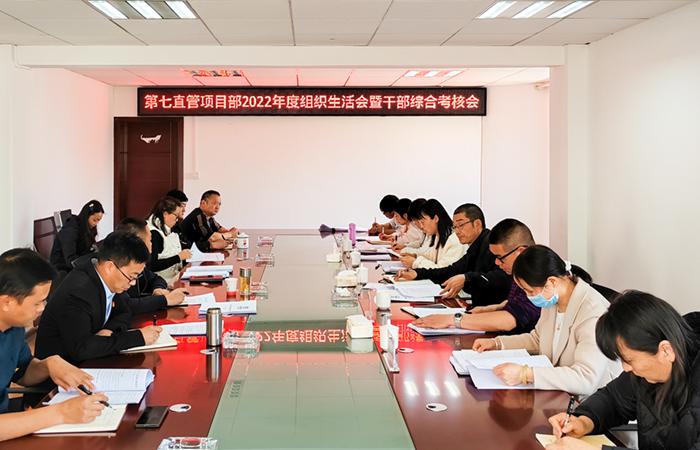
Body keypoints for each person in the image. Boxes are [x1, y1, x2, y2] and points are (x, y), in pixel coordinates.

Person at [545, 292, 700, 450]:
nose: (626, 368)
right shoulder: (646, 372)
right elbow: (613, 399)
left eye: (629, 360)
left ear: (666, 351)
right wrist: (584, 421)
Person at [473, 245, 621, 396]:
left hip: (592, 400)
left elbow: (585, 379)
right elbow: (538, 339)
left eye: (530, 291)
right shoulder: (553, 298)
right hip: (561, 393)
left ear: (552, 282)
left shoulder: (592, 314)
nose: (529, 297)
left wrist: (526, 374)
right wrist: (497, 343)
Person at [0, 248, 108, 441]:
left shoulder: (13, 327)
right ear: (7, 302)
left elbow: (23, 373)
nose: (42, 309)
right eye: (37, 303)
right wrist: (60, 413)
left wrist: (49, 364)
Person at [35, 231, 162, 364]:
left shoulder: (109, 279)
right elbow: (82, 349)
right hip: (62, 369)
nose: (133, 283)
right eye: (131, 277)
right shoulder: (78, 292)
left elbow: (125, 311)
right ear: (110, 267)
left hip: (90, 361)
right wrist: (138, 338)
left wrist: (109, 330)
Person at [413, 218, 540, 335]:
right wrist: (490, 309)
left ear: (520, 252)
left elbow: (509, 320)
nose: (496, 262)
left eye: (500, 257)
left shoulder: (537, 272)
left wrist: (452, 320)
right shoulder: (521, 270)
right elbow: (516, 302)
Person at [396, 205, 511, 306]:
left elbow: (501, 278)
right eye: (455, 227)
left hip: (492, 313)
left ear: (477, 224)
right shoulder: (475, 246)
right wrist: (417, 273)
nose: (457, 231)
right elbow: (451, 270)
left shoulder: (490, 245)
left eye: (461, 225)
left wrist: (467, 278)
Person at [115, 218, 187, 311]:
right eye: (150, 240)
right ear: (138, 242)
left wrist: (157, 289)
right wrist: (165, 300)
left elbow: (156, 278)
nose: (152, 244)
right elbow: (127, 305)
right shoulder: (119, 266)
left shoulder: (138, 263)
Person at [398, 199, 465, 270]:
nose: (421, 226)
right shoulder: (437, 236)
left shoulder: (455, 239)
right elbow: (430, 256)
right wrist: (414, 255)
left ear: (436, 218)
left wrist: (415, 262)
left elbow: (442, 270)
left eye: (423, 222)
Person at [49, 200, 104, 274]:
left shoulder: (86, 228)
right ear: (86, 216)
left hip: (76, 264)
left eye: (98, 221)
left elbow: (86, 250)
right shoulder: (71, 230)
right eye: (94, 220)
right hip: (62, 269)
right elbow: (71, 260)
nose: (96, 223)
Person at [146, 197, 192, 282]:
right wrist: (178, 257)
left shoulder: (169, 228)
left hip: (174, 278)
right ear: (165, 214)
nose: (177, 220)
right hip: (161, 283)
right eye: (176, 216)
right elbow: (152, 265)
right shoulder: (154, 234)